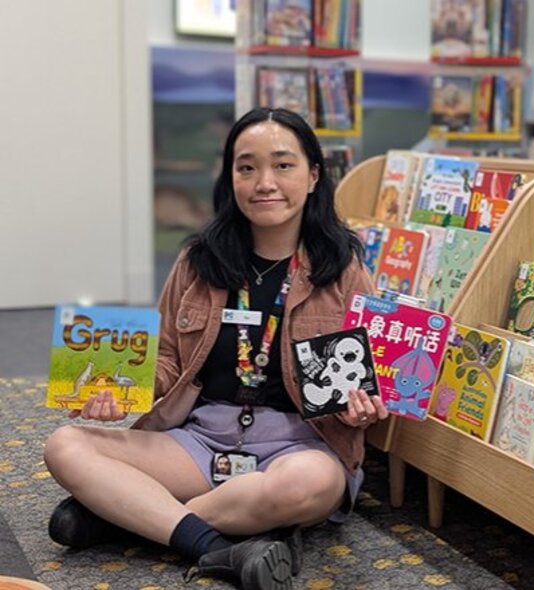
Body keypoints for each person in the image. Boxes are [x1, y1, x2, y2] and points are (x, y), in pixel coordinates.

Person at [43, 107, 388, 590]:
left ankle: (127, 517)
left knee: (313, 485)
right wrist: (119, 390)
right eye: (247, 167)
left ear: (313, 175)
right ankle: (216, 546)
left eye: (283, 165)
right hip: (199, 439)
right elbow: (164, 357)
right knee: (65, 445)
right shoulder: (198, 259)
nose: (264, 181)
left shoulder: (344, 268)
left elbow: (363, 378)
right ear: (230, 178)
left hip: (298, 445)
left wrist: (360, 412)